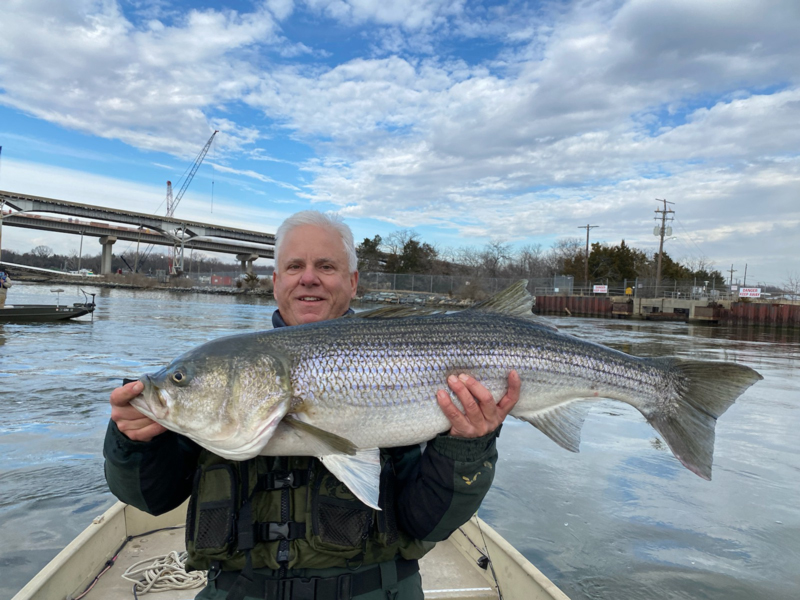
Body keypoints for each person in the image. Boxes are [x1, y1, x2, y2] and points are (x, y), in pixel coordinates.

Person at [104, 211, 520, 600]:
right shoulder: (222, 372)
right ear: (276, 282)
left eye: (326, 266)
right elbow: (149, 499)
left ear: (353, 282)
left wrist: (467, 447)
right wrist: (134, 442)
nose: (308, 279)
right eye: (293, 267)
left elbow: (430, 522)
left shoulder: (402, 360)